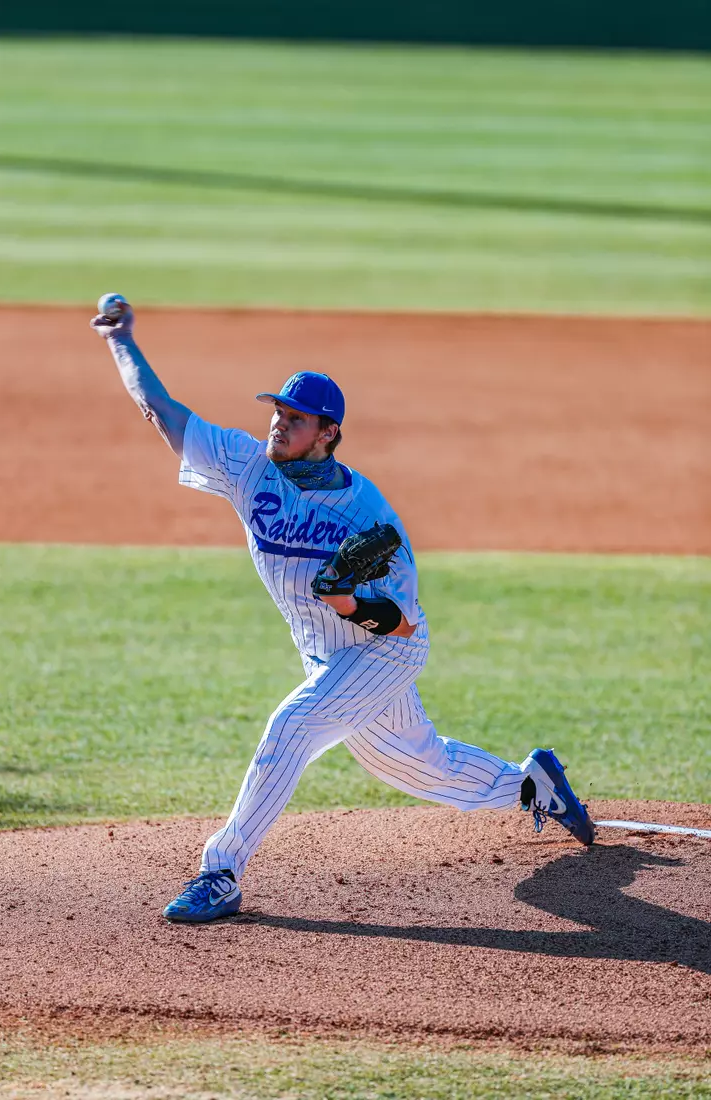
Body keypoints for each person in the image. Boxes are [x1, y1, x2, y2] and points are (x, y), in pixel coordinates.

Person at [91, 297, 595, 923]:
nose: (279, 423)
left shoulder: (370, 517)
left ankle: (220, 872)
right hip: (329, 656)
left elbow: (403, 623)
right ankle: (532, 784)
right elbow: (162, 413)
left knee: (292, 728)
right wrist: (121, 341)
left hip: (386, 649)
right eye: (277, 410)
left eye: (296, 417)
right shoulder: (248, 467)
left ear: (328, 433)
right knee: (417, 764)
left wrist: (346, 599)